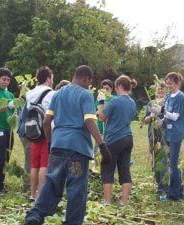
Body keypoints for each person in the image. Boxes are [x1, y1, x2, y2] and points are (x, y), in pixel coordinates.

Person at [24, 65, 112, 225]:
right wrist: (102, 145)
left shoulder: (57, 94)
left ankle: (35, 215)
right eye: (89, 82)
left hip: (57, 146)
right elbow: (89, 121)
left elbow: (46, 121)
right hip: (77, 151)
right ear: (86, 79)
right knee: (76, 188)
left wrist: (50, 143)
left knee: (51, 182)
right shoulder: (85, 94)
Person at [97, 75, 137, 205]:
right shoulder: (132, 102)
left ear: (119, 86)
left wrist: (101, 103)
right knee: (124, 169)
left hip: (114, 139)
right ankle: (123, 202)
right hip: (128, 138)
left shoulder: (115, 101)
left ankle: (107, 202)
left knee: (107, 169)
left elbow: (101, 118)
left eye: (115, 87)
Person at [25, 66, 55, 202]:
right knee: (44, 164)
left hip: (33, 131)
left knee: (34, 165)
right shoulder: (51, 93)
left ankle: (32, 194)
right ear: (48, 78)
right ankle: (41, 196)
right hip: (46, 132)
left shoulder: (29, 93)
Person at [160, 72, 184, 201]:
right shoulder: (169, 96)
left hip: (176, 133)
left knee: (173, 165)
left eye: (170, 84)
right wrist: (161, 120)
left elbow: (175, 116)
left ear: (177, 83)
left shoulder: (180, 97)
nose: (168, 86)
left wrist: (162, 111)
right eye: (167, 84)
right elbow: (167, 114)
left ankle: (174, 195)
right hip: (168, 132)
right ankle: (180, 191)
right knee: (173, 163)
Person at [144, 83, 168, 194]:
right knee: (155, 158)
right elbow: (145, 120)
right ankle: (159, 184)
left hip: (165, 134)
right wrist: (152, 116)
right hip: (153, 134)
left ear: (166, 90)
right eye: (158, 89)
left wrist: (162, 121)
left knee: (164, 159)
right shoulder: (151, 103)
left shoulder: (168, 102)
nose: (160, 91)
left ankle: (164, 186)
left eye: (162, 89)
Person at [94, 79, 115, 167]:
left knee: (111, 152)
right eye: (104, 89)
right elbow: (96, 113)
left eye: (107, 89)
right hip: (100, 130)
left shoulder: (114, 100)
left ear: (111, 89)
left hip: (111, 131)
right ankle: (97, 171)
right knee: (97, 152)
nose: (105, 91)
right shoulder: (98, 100)